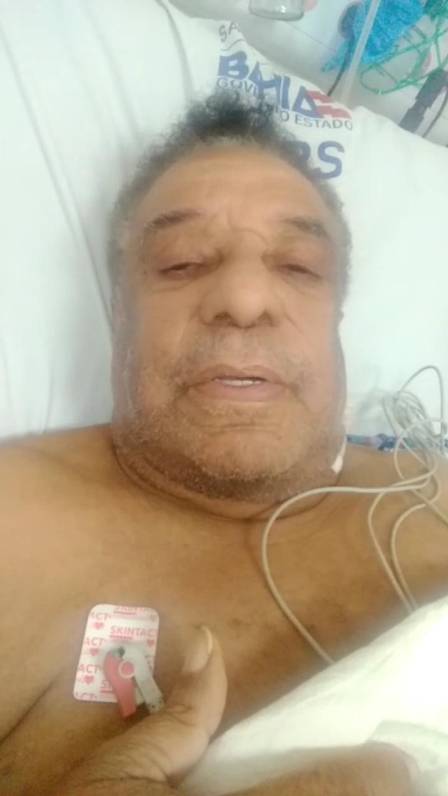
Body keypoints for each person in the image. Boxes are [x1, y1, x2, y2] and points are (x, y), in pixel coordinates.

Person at [0, 91, 447, 796]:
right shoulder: (14, 524)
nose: (243, 299)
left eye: (298, 266)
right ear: (120, 312)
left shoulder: (434, 495)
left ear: (337, 316)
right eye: (181, 263)